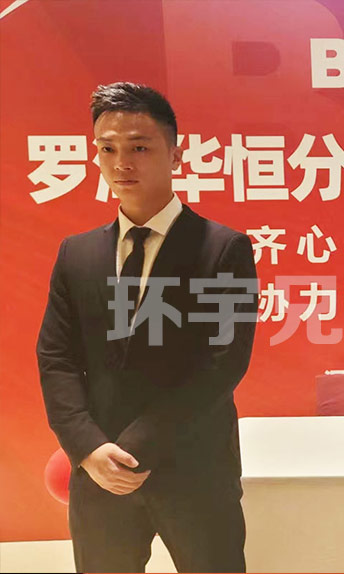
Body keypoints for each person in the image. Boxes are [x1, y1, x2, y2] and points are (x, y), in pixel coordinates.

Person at [36, 82, 258, 573]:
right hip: (99, 471)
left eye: (139, 147)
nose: (122, 163)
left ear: (175, 154)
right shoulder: (78, 254)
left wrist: (133, 450)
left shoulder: (223, 249)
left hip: (194, 469)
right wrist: (88, 446)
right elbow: (56, 358)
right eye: (107, 149)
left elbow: (222, 364)